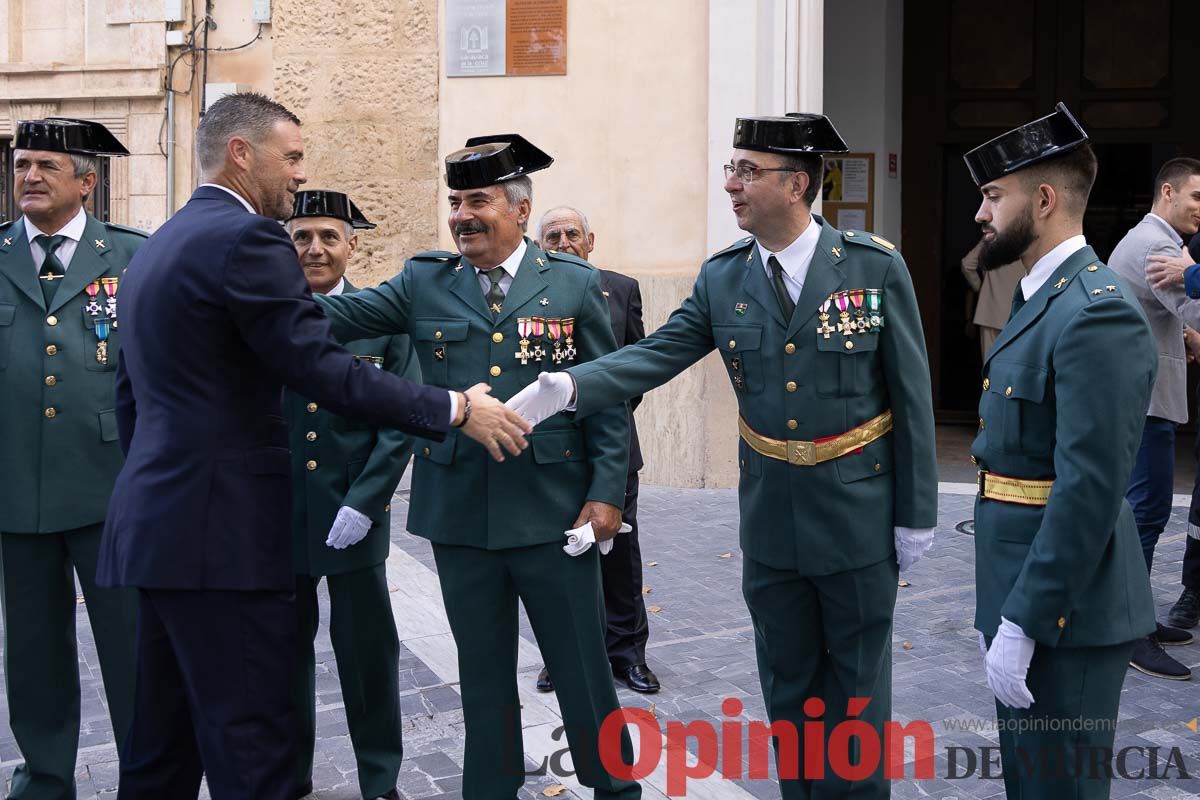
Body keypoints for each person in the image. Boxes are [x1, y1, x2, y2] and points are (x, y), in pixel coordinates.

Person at [95, 93, 529, 800]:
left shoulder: (159, 244)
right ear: (242, 154)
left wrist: (162, 490)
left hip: (159, 530)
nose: (299, 174)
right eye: (291, 157)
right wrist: (452, 408)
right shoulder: (247, 239)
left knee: (159, 754)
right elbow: (319, 366)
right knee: (254, 757)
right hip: (222, 542)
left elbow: (130, 394)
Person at [509, 113, 938, 799]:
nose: (730, 185)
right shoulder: (725, 277)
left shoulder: (872, 267)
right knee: (789, 687)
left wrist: (915, 515)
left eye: (747, 171)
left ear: (796, 183)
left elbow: (911, 397)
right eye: (732, 169)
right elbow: (657, 354)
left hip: (857, 510)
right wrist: (571, 386)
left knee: (857, 691)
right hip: (771, 515)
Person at [312, 135, 640, 799]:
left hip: (554, 513)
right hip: (462, 517)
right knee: (484, 676)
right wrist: (239, 280)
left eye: (479, 201)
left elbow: (606, 401)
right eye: (456, 201)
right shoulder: (423, 281)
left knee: (583, 672)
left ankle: (617, 790)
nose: (463, 214)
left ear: (521, 211)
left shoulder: (574, 284)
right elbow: (330, 315)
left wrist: (608, 497)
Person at [964, 103, 1157, 799]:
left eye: (993, 196)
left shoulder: (1096, 309)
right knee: (1031, 782)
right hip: (1021, 584)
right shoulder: (1039, 295)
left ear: (1043, 200)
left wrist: (1027, 619)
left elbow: (1090, 489)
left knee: (1060, 788)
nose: (982, 214)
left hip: (1064, 610)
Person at [0, 117, 144, 799]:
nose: (28, 175)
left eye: (45, 166)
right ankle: (46, 778)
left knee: (132, 642)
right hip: (14, 485)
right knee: (32, 651)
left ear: (86, 182)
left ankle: (148, 775)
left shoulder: (134, 259)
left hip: (110, 487)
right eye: (22, 163)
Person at [284, 190, 415, 800]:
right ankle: (288, 775)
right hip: (276, 514)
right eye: (302, 237)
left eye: (328, 237)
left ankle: (380, 778)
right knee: (281, 654)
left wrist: (366, 502)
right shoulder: (263, 318)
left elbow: (400, 420)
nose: (314, 248)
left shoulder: (383, 318)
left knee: (367, 657)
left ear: (351, 244)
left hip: (355, 510)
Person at [534, 206, 660, 695]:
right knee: (557, 559)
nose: (563, 241)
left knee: (620, 557)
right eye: (552, 235)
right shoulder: (531, 289)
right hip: (550, 450)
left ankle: (627, 654)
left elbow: (637, 366)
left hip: (613, 449)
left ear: (590, 240)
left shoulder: (621, 288)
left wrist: (604, 415)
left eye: (572, 234)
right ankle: (560, 657)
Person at [1108, 157, 1200, 680]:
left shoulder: (1145, 237)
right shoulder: (1159, 246)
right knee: (1146, 513)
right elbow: (1192, 308)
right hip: (1146, 401)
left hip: (1140, 396)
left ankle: (1136, 617)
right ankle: (1131, 632)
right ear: (1167, 191)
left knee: (1142, 512)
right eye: (1196, 197)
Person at [960, 238, 1025, 359]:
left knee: (990, 368)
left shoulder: (992, 236)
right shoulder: (1026, 235)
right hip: (1019, 313)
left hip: (990, 313)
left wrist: (980, 288)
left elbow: (967, 264)